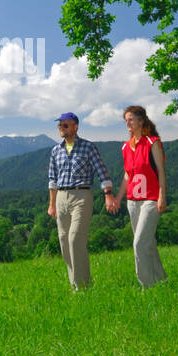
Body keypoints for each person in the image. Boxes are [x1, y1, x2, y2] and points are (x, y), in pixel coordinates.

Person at [46, 112, 118, 290]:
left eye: (65, 125)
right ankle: (75, 284)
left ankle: (82, 287)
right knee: (63, 241)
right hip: (61, 198)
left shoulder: (88, 147)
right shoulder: (55, 150)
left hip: (82, 196)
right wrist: (52, 204)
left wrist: (108, 194)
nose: (61, 128)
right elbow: (52, 179)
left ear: (75, 127)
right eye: (59, 125)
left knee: (75, 240)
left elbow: (102, 171)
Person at [119, 105, 168, 288]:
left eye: (131, 119)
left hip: (151, 199)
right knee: (148, 243)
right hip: (132, 201)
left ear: (141, 121)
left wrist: (162, 195)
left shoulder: (152, 142)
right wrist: (118, 197)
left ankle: (147, 286)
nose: (128, 123)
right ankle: (161, 280)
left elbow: (161, 171)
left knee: (139, 243)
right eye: (126, 120)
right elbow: (127, 175)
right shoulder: (125, 147)